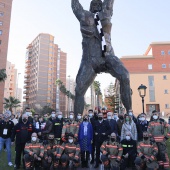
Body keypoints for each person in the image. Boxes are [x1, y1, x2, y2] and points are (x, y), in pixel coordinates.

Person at [71, 0, 132, 115]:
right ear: (90, 7)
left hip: (108, 56)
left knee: (125, 76)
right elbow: (75, 6)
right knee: (79, 88)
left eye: (99, 3)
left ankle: (129, 112)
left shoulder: (106, 13)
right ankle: (77, 119)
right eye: (94, 4)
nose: (96, 5)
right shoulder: (85, 16)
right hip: (90, 59)